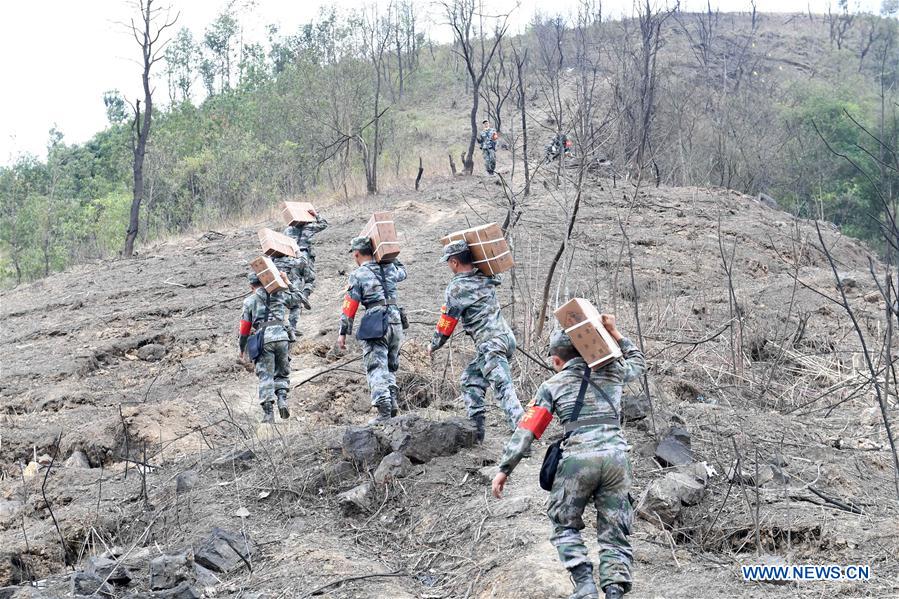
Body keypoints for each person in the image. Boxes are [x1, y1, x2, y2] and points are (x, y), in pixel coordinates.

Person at [491, 318, 646, 599]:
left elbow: (528, 430)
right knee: (614, 530)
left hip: (578, 460)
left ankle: (585, 585)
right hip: (616, 458)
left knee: (564, 523)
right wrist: (613, 332)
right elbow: (638, 360)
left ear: (556, 359)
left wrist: (505, 469)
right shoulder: (614, 371)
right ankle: (614, 591)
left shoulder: (552, 384)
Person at [427, 240, 523, 441]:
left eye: (448, 262)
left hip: (491, 344)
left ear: (454, 262)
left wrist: (434, 345)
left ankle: (524, 438)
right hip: (505, 339)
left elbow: (447, 322)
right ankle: (475, 432)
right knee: (470, 381)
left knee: (504, 390)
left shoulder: (457, 287)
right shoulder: (486, 276)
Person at [337, 237, 407, 424]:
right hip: (396, 321)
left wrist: (343, 332)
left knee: (376, 367)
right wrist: (389, 254)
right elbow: (404, 272)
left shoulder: (358, 275)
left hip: (376, 322)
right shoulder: (391, 268)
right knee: (391, 366)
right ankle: (392, 405)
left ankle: (384, 414)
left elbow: (350, 306)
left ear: (356, 254)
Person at [238, 273, 293, 423]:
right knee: (282, 373)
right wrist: (287, 282)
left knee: (266, 376)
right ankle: (282, 399)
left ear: (251, 286)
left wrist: (241, 349)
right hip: (282, 337)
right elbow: (298, 300)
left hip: (264, 339)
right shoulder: (279, 295)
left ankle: (269, 414)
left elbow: (244, 329)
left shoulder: (250, 301)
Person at [282, 209, 328, 298]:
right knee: (310, 280)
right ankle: (305, 296)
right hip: (305, 255)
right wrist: (315, 215)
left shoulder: (287, 231)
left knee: (295, 279)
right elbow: (324, 224)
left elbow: (283, 245)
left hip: (293, 257)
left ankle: (296, 297)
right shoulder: (309, 227)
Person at [272, 253, 312, 339]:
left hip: (275, 293)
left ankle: (282, 327)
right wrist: (298, 252)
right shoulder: (291, 261)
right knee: (296, 305)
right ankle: (292, 328)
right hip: (290, 292)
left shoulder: (271, 262)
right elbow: (303, 261)